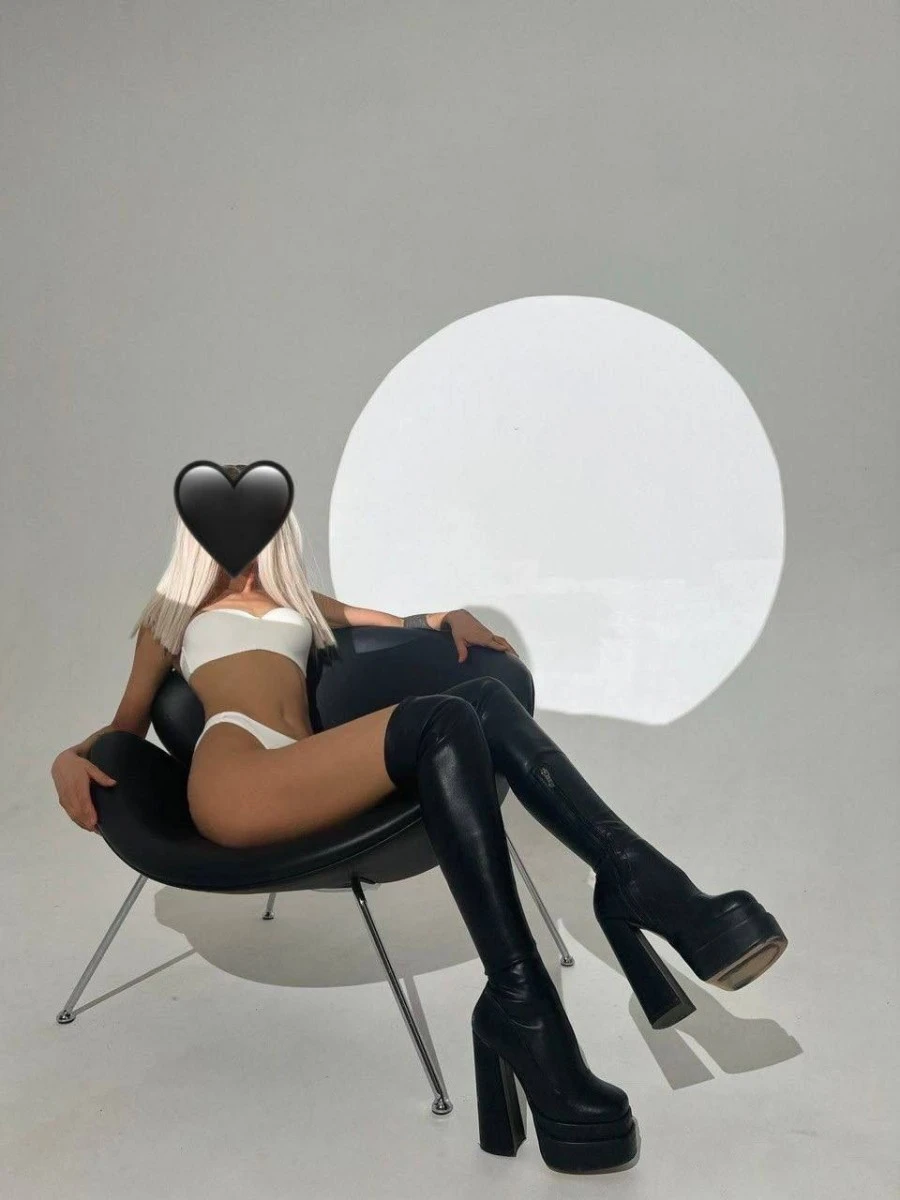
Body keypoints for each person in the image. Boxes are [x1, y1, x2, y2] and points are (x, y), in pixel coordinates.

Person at [50, 463, 787, 1175]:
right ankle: (582, 950)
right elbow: (124, 726)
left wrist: (444, 618)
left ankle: (615, 897)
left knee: (484, 700)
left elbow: (397, 623)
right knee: (442, 719)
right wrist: (68, 759)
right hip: (236, 774)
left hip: (306, 765)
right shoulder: (172, 614)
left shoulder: (297, 600)